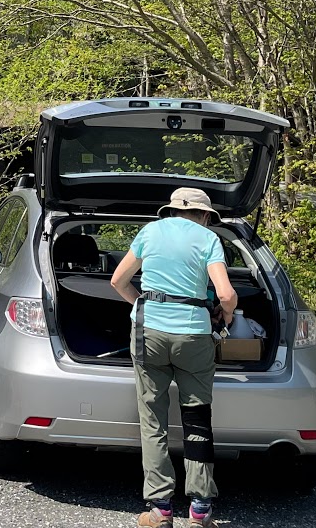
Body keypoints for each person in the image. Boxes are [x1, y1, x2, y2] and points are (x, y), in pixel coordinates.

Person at [111, 187, 238, 528]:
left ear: (171, 211)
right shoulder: (208, 239)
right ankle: (199, 510)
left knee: (153, 419)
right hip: (194, 336)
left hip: (148, 332)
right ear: (206, 215)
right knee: (197, 418)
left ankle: (160, 510)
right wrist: (227, 315)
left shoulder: (149, 232)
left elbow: (118, 280)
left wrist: (141, 303)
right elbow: (225, 293)